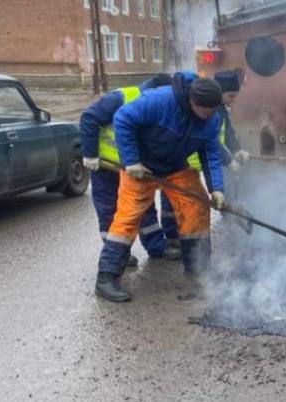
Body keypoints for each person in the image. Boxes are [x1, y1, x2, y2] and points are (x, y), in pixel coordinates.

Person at [95, 75, 225, 302]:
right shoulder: (159, 101)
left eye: (214, 110)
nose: (211, 116)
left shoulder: (212, 119)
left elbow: (211, 153)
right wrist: (131, 160)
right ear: (193, 102)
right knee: (128, 217)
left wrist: (217, 188)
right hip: (142, 166)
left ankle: (198, 267)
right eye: (207, 111)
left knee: (196, 206)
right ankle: (106, 277)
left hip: (174, 166)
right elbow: (123, 118)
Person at [79, 73, 180, 269]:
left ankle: (156, 246)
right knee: (109, 211)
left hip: (133, 168)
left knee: (144, 206)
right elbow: (89, 118)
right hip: (106, 168)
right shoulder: (121, 97)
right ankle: (119, 255)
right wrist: (90, 154)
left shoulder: (157, 106)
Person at [161, 69, 250, 246]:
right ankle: (172, 237)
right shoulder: (208, 108)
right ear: (221, 93)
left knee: (196, 198)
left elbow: (228, 131)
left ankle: (184, 236)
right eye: (231, 96)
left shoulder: (222, 108)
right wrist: (229, 160)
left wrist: (237, 149)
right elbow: (212, 141)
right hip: (188, 160)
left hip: (206, 160)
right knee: (172, 199)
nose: (233, 100)